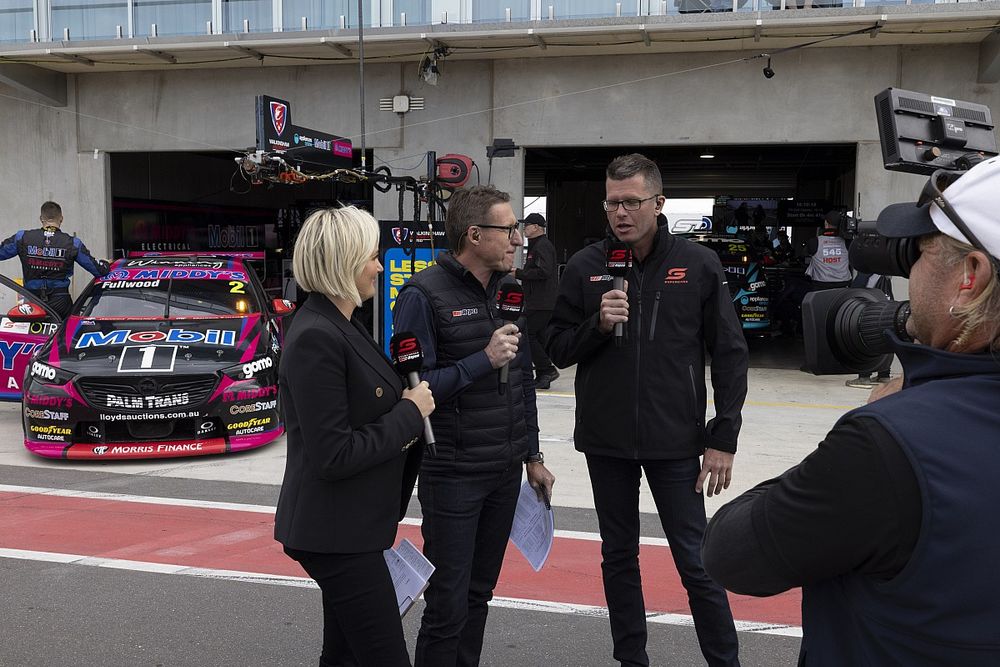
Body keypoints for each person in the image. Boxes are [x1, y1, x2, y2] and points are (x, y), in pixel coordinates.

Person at [702, 158, 1000, 665]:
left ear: (970, 275)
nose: (910, 273)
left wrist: (855, 436)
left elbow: (732, 554)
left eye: (922, 253)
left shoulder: (890, 443)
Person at [545, 153, 748, 667]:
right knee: (618, 557)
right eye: (612, 202)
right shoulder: (587, 266)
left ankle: (725, 661)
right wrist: (597, 323)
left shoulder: (698, 264)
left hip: (677, 440)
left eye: (632, 202)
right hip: (606, 439)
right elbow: (555, 348)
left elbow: (729, 352)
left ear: (659, 203)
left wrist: (723, 437)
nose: (621, 213)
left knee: (696, 561)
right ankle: (631, 659)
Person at [393, 185, 556, 667]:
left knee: (479, 595)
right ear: (474, 234)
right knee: (448, 602)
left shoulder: (510, 291)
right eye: (509, 230)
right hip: (453, 475)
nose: (518, 240)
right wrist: (483, 360)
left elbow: (523, 380)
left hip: (504, 471)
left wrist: (532, 455)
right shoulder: (422, 295)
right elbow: (413, 392)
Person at [273, 206, 435, 667]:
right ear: (344, 261)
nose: (380, 267)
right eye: (372, 257)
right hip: (336, 533)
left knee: (343, 655)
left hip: (352, 527)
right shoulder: (316, 337)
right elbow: (334, 454)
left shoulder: (342, 324)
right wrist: (410, 412)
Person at [0, 201, 110, 317]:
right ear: (61, 219)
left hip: (32, 300)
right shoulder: (73, 243)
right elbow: (99, 271)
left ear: (41, 219)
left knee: (32, 334)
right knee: (63, 334)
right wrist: (105, 263)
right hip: (60, 301)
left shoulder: (22, 238)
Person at [513, 212, 560, 389]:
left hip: (541, 302)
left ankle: (547, 369)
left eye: (528, 225)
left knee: (527, 334)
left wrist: (518, 273)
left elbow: (544, 272)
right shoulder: (536, 246)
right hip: (538, 301)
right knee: (538, 337)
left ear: (537, 228)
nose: (525, 228)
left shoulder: (542, 246)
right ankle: (543, 376)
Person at [845, 270, 894, 388]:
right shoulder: (886, 270)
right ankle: (884, 375)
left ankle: (864, 377)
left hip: (872, 311)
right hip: (887, 308)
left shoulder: (867, 270)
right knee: (886, 342)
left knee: (864, 341)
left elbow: (856, 288)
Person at [804, 210, 852, 290]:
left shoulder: (814, 242)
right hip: (843, 285)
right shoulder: (848, 242)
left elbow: (804, 255)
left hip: (821, 286)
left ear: (826, 224)